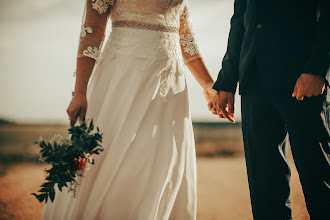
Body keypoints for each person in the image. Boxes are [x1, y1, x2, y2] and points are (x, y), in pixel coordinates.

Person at [41, 0, 216, 219]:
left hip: (170, 87)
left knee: (162, 160)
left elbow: (185, 37)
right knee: (110, 153)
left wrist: (208, 85)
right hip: (122, 78)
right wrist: (80, 92)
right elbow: (93, 31)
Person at [209, 0, 330, 219]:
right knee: (264, 182)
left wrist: (318, 67)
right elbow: (239, 21)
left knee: (318, 174)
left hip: (302, 76)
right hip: (254, 78)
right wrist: (227, 81)